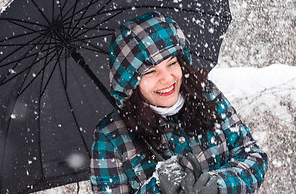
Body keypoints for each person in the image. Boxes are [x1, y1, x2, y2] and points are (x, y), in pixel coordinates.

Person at [89, 11, 268, 193]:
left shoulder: (206, 95)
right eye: (150, 72)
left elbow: (253, 156)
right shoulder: (110, 137)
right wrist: (156, 188)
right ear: (130, 83)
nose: (167, 78)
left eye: (171, 63)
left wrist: (219, 185)